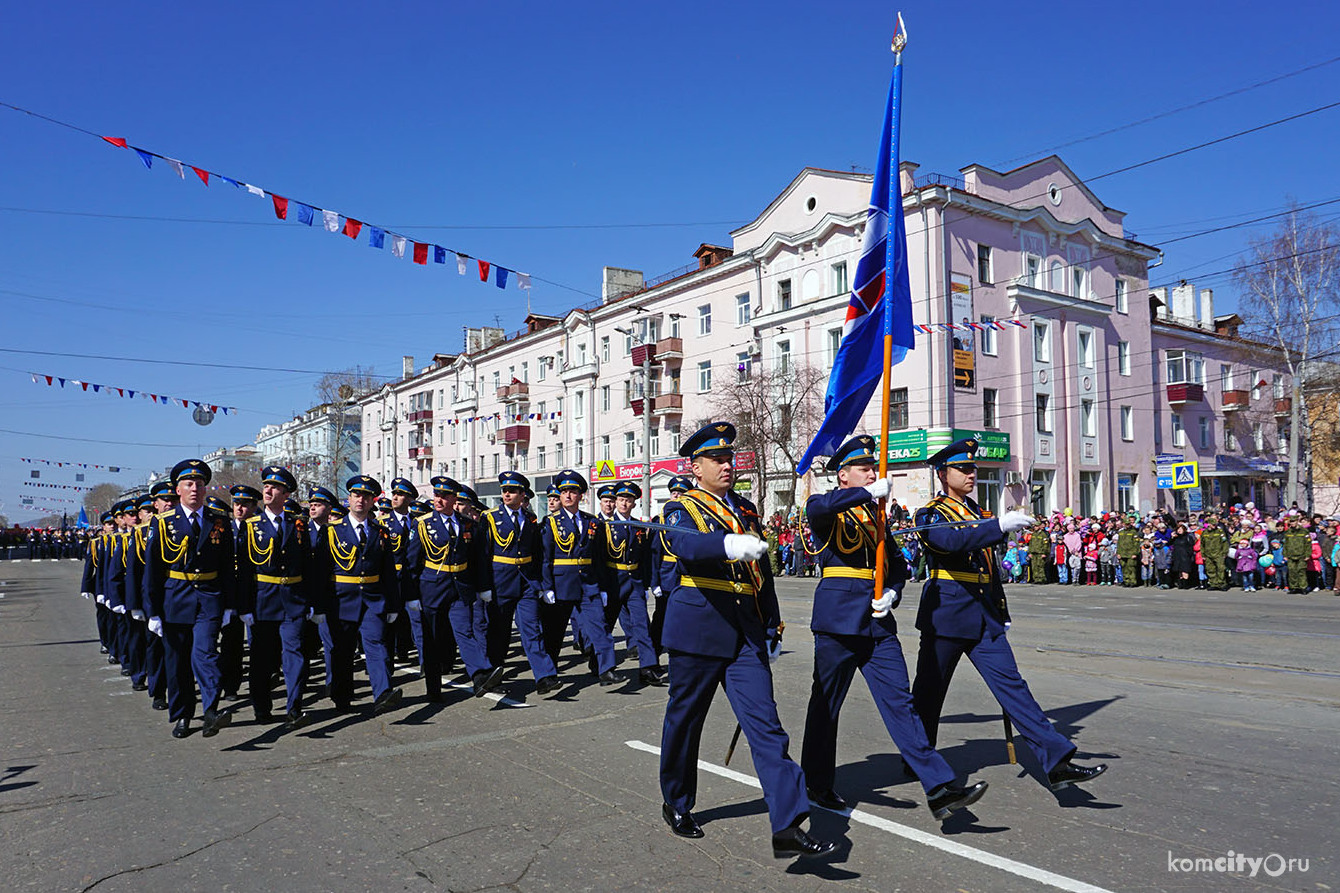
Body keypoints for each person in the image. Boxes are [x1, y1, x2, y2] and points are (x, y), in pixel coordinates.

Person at [658, 422, 836, 860]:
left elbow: (763, 574)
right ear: (694, 467)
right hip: (699, 627)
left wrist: (772, 625)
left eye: (728, 457)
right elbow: (687, 547)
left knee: (768, 729)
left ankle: (788, 825)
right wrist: (727, 544)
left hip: (745, 633)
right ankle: (677, 801)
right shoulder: (679, 507)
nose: (725, 464)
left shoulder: (745, 510)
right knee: (686, 721)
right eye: (715, 459)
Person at [799, 435, 988, 821]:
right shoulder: (828, 507)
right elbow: (820, 507)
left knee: (902, 703)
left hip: (877, 621)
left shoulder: (877, 515)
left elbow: (899, 568)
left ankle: (938, 787)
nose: (873, 472)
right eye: (864, 468)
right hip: (838, 620)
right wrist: (867, 493)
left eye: (874, 467)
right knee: (826, 706)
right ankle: (816, 783)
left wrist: (894, 594)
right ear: (844, 476)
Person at [909, 439, 1107, 794]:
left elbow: (988, 569)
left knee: (1014, 689)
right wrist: (998, 526)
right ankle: (918, 759)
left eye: (973, 469)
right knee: (929, 694)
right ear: (943, 475)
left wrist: (1002, 611)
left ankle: (1056, 761)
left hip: (984, 617)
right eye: (963, 469)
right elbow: (950, 544)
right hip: (947, 616)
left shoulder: (977, 512)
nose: (971, 474)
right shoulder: (931, 514)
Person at [145, 459, 235, 739]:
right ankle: (183, 714)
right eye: (188, 484)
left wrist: (230, 604)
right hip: (175, 599)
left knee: (206, 654)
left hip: (209, 597)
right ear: (178, 490)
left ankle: (211, 712)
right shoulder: (163, 522)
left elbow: (227, 568)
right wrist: (153, 611)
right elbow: (153, 570)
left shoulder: (219, 521)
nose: (194, 488)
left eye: (199, 484)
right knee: (178, 661)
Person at [311, 475, 405, 716]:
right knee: (342, 650)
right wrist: (318, 605)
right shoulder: (331, 531)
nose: (360, 500)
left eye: (365, 496)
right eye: (356, 495)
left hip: (373, 598)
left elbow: (388, 573)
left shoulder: (380, 531)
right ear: (349, 499)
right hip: (340, 599)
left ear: (373, 500)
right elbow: (320, 572)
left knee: (376, 644)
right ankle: (342, 696)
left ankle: (383, 692)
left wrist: (393, 604)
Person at [412, 475, 504, 701]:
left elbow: (478, 560)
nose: (439, 499)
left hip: (459, 589)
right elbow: (411, 563)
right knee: (433, 641)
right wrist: (411, 596)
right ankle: (433, 688)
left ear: (455, 499)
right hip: (432, 589)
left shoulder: (468, 525)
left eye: (444, 496)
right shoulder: (423, 524)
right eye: (436, 495)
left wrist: (482, 587)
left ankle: (480, 676)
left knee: (465, 632)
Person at [234, 466, 312, 729]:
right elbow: (244, 570)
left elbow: (308, 565)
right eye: (266, 486)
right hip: (262, 600)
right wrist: (243, 605)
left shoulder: (298, 524)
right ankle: (261, 707)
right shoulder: (251, 526)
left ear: (286, 493)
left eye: (275, 487)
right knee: (261, 658)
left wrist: (310, 601)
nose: (267, 490)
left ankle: (294, 707)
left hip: (293, 599)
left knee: (295, 654)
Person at [479, 471, 560, 695]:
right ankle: (492, 674)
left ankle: (545, 676)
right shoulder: (490, 517)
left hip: (526, 581)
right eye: (504, 490)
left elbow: (537, 554)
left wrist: (542, 585)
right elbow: (483, 554)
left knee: (532, 629)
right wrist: (484, 586)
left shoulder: (530, 519)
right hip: (500, 580)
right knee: (498, 631)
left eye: (512, 491)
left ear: (522, 494)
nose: (506, 494)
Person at [539, 470, 620, 686]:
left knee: (600, 627)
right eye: (564, 491)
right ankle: (548, 673)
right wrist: (547, 587)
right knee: (554, 633)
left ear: (581, 495)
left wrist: (602, 587)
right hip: (561, 584)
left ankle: (606, 670)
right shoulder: (551, 522)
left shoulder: (592, 522)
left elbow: (600, 558)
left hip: (588, 584)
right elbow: (545, 557)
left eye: (572, 492)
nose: (567, 496)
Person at [601, 481, 666, 686]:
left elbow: (646, 557)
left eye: (628, 500)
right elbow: (600, 558)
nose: (623, 503)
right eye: (620, 499)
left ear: (634, 503)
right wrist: (602, 587)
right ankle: (600, 664)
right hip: (613, 581)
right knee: (607, 625)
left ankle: (647, 668)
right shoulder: (606, 526)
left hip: (635, 582)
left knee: (642, 626)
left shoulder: (639, 527)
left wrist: (647, 584)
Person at [222, 484, 262, 700]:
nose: (239, 508)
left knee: (257, 642)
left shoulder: (260, 528)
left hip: (257, 591)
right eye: (236, 504)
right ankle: (231, 685)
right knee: (231, 642)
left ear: (254, 506)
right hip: (233, 592)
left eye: (245, 504)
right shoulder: (225, 529)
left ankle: (259, 684)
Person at [648, 475, 693, 657]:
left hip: (686, 576)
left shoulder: (692, 519)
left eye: (680, 493)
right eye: (674, 493)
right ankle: (654, 647)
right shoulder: (660, 520)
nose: (676, 496)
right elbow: (654, 553)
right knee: (662, 614)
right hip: (667, 575)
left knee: (684, 615)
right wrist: (654, 582)